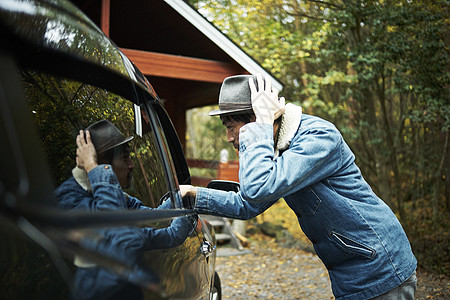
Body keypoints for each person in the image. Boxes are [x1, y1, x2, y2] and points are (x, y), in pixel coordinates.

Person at [181, 74, 417, 299]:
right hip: (353, 273)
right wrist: (193, 195)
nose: (229, 137)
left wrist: (260, 126)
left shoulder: (318, 137)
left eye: (231, 126)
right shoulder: (279, 148)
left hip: (380, 266)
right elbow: (248, 204)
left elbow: (257, 188)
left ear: (257, 118)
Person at [56, 119, 193, 300]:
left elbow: (152, 218)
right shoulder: (67, 201)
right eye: (125, 157)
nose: (132, 165)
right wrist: (92, 166)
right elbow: (116, 236)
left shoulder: (116, 195)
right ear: (104, 165)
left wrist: (183, 196)